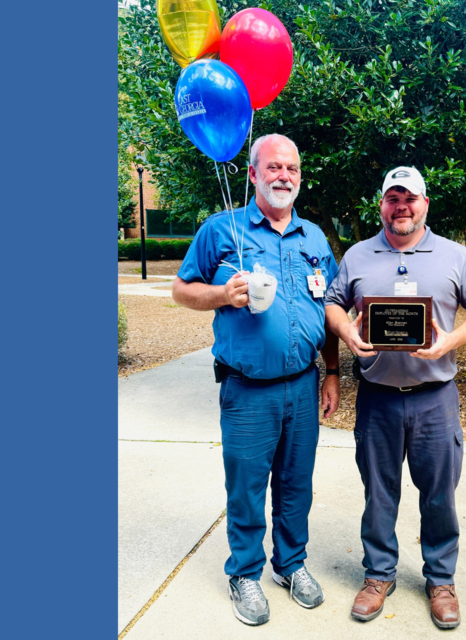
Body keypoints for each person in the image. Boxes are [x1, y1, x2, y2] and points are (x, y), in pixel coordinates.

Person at [172, 134, 340, 626]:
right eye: (273, 167)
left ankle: (290, 564)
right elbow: (182, 290)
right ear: (252, 173)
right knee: (246, 486)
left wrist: (332, 372)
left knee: (296, 484)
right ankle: (244, 573)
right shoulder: (221, 230)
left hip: (304, 387)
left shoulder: (314, 238)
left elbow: (327, 307)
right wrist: (223, 294)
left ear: (300, 176)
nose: (283, 175)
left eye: (291, 168)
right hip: (247, 389)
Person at [324, 166, 466, 629]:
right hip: (378, 399)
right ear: (381, 204)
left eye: (410, 198)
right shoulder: (358, 256)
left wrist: (451, 341)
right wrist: (346, 331)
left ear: (425, 203)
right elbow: (332, 303)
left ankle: (441, 580)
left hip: (434, 398)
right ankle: (378, 575)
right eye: (392, 198)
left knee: (439, 496)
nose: (401, 207)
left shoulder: (456, 256)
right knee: (379, 493)